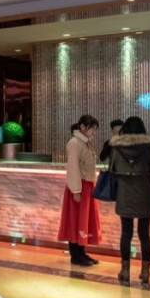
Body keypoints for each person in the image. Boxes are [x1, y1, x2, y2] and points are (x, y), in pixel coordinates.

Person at [108, 116, 150, 284]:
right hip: (144, 195)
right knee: (144, 234)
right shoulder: (149, 150)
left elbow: (112, 171)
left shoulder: (116, 150)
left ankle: (125, 270)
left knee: (126, 233)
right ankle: (145, 272)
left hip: (125, 195)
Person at [57, 114, 101, 266]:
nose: (93, 132)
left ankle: (82, 253)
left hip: (87, 186)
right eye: (92, 129)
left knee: (83, 221)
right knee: (75, 221)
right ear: (82, 127)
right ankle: (75, 255)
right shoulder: (74, 143)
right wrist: (76, 190)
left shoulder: (85, 143)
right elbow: (73, 168)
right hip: (78, 187)